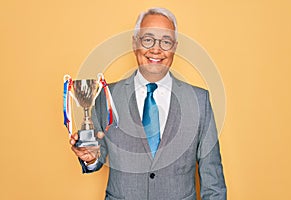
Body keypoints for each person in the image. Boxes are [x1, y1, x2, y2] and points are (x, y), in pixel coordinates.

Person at [70, 7, 227, 200]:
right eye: (147, 39)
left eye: (166, 41)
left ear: (175, 46)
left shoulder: (199, 100)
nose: (156, 49)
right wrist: (91, 157)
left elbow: (213, 181)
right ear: (135, 42)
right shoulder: (106, 96)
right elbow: (97, 154)